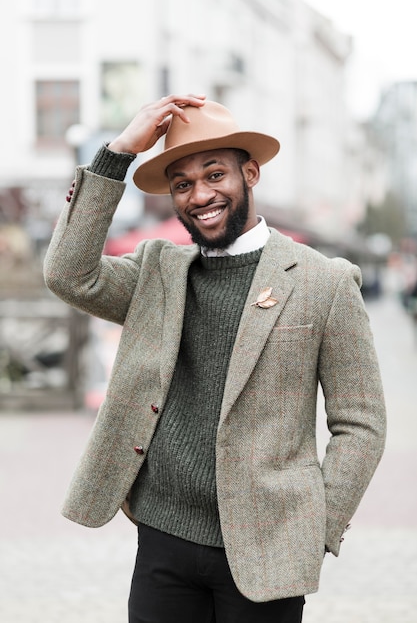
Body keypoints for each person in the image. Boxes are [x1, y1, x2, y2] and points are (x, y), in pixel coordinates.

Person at [44, 94, 386, 623]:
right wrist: (116, 154)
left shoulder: (325, 281)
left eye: (214, 175)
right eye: (183, 184)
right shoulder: (157, 271)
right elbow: (68, 274)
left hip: (266, 547)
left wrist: (315, 524)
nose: (200, 194)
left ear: (249, 173)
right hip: (163, 538)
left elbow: (360, 424)